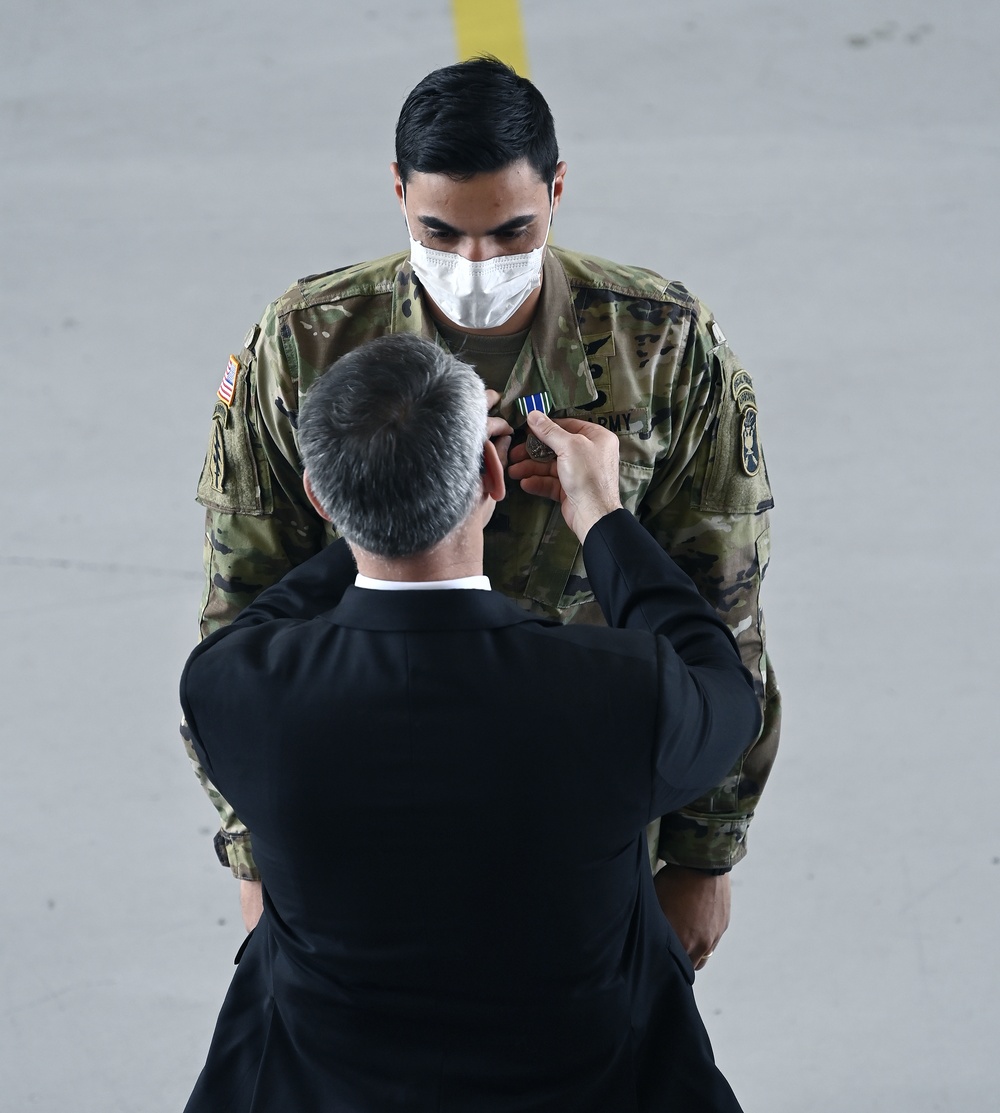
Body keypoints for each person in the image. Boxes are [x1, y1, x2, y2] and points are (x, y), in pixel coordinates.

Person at [187, 56, 781, 967]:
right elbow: (243, 594)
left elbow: (723, 597)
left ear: (557, 190)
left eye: (512, 233)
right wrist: (255, 850)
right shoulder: (307, 342)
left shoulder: (659, 344)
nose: (475, 266)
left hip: (583, 804)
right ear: (396, 193)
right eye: (441, 232)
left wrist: (706, 853)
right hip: (362, 786)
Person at [180, 333, 761, 1113]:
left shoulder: (231, 691)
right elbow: (723, 681)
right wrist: (602, 516)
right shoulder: (625, 696)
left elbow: (260, 619)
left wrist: (378, 507)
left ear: (319, 496)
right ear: (492, 472)